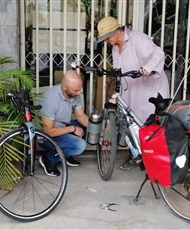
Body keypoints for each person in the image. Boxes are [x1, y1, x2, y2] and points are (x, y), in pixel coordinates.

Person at [97, 16, 170, 170]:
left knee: (151, 125)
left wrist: (147, 68)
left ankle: (155, 159)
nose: (106, 40)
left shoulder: (137, 39)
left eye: (107, 36)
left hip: (149, 89)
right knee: (131, 123)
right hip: (131, 89)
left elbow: (158, 54)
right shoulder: (115, 47)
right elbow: (119, 72)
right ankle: (136, 155)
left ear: (118, 30)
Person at [39, 70, 89, 176]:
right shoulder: (50, 99)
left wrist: (99, 128)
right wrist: (73, 129)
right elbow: (48, 131)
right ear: (64, 87)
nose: (79, 93)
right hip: (47, 137)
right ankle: (48, 159)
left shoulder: (74, 95)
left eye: (80, 89)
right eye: (76, 90)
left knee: (87, 129)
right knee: (79, 145)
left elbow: (81, 117)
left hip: (62, 127)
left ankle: (65, 155)